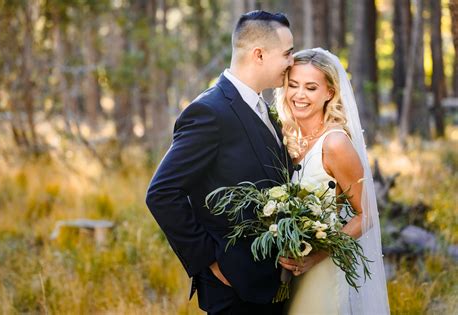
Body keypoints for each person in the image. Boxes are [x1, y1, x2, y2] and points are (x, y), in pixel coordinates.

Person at [146, 10, 294, 314]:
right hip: (232, 288)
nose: (292, 63)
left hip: (270, 283)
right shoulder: (209, 112)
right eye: (287, 54)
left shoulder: (262, 107)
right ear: (259, 55)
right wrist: (211, 262)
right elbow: (161, 194)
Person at [276, 48, 390, 314]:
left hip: (322, 271)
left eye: (311, 87)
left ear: (329, 93)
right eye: (293, 85)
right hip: (287, 270)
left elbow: (366, 214)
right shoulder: (286, 136)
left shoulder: (335, 143)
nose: (299, 95)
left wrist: (316, 256)